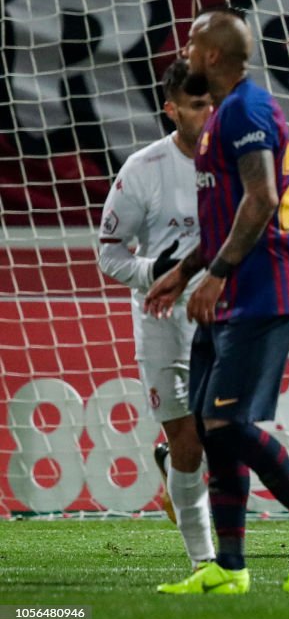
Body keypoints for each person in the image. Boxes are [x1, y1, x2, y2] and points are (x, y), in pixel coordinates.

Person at [145, 6, 289, 594]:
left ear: (210, 56)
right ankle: (229, 569)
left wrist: (218, 275)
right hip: (231, 290)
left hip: (262, 290)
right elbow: (228, 214)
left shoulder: (248, 110)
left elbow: (259, 200)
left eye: (191, 40)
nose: (184, 49)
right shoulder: (225, 114)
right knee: (210, 428)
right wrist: (185, 272)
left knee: (224, 422)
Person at [98, 59, 216, 571]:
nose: (208, 113)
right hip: (163, 321)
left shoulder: (239, 163)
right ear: (172, 112)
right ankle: (205, 565)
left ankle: (175, 472)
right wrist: (154, 273)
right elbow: (109, 253)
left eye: (213, 102)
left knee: (220, 432)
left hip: (223, 314)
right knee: (188, 441)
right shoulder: (142, 170)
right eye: (196, 106)